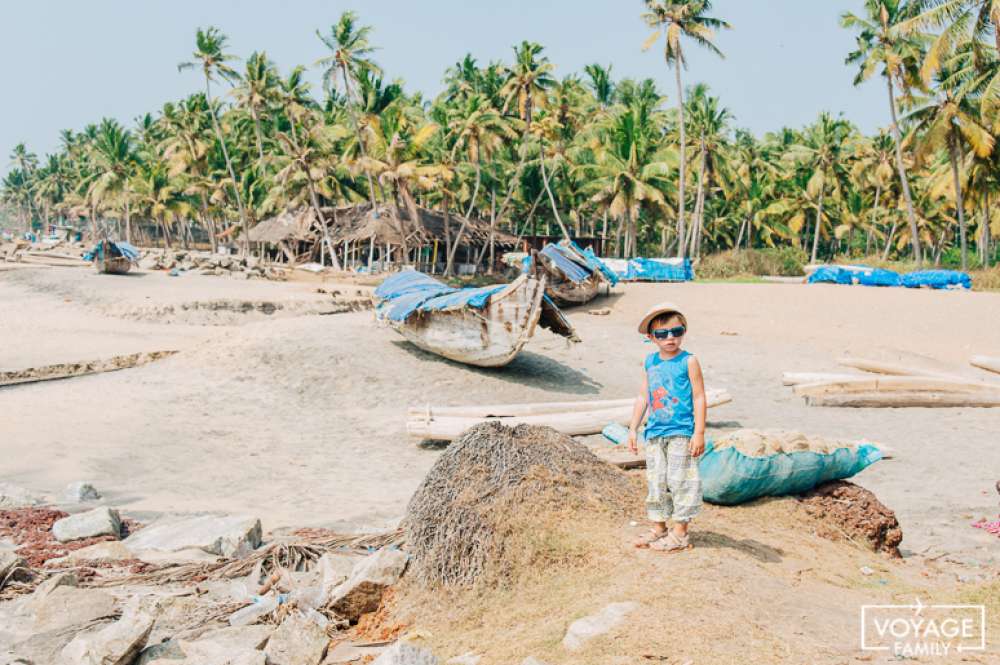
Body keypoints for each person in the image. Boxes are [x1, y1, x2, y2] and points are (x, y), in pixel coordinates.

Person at [628, 302, 706, 553]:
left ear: (684, 331)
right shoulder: (650, 362)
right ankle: (659, 527)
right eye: (662, 334)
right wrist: (632, 429)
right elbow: (643, 397)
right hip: (655, 433)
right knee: (656, 481)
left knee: (681, 480)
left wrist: (699, 432)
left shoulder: (689, 361)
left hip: (682, 432)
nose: (670, 338)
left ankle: (680, 533)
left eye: (676, 331)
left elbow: (699, 397)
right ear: (651, 337)